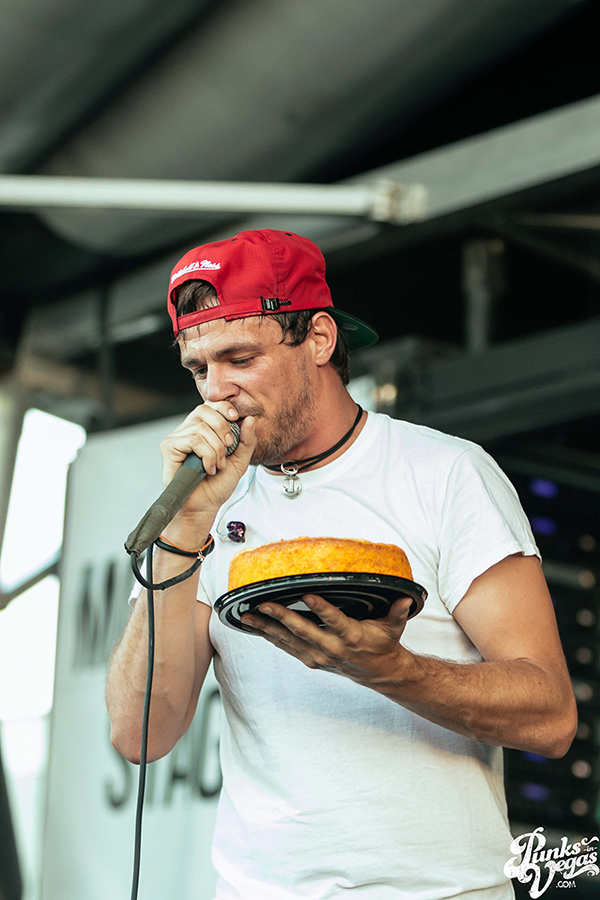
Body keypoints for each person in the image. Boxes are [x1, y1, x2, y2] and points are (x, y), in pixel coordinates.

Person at [106, 228, 577, 900]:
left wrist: (393, 669)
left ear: (320, 339)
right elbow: (139, 735)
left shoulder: (444, 472)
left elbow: (552, 717)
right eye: (199, 369)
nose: (217, 392)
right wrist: (184, 528)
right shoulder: (207, 505)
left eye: (240, 358)